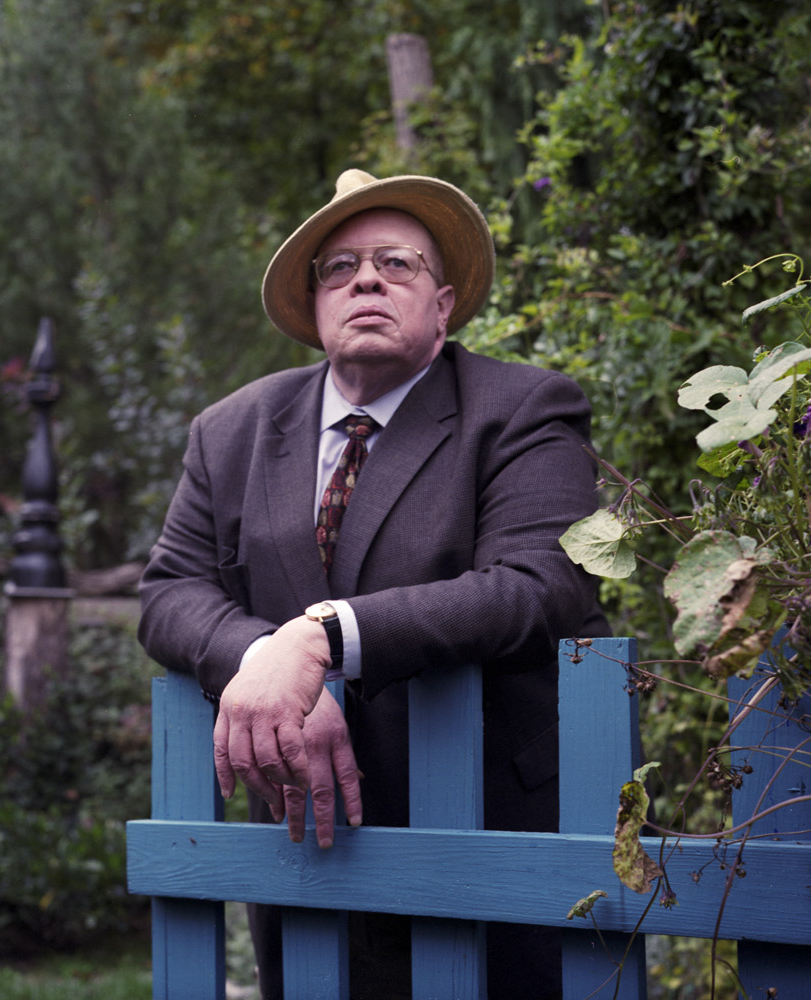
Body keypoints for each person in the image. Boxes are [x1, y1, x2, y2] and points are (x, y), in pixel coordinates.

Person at [138, 169, 609, 1000]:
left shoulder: (524, 408)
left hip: (492, 839)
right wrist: (267, 659)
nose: (365, 280)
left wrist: (320, 637)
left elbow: (539, 586)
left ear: (444, 303)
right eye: (339, 267)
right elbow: (171, 588)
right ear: (316, 303)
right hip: (304, 842)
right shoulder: (231, 431)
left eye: (397, 263)